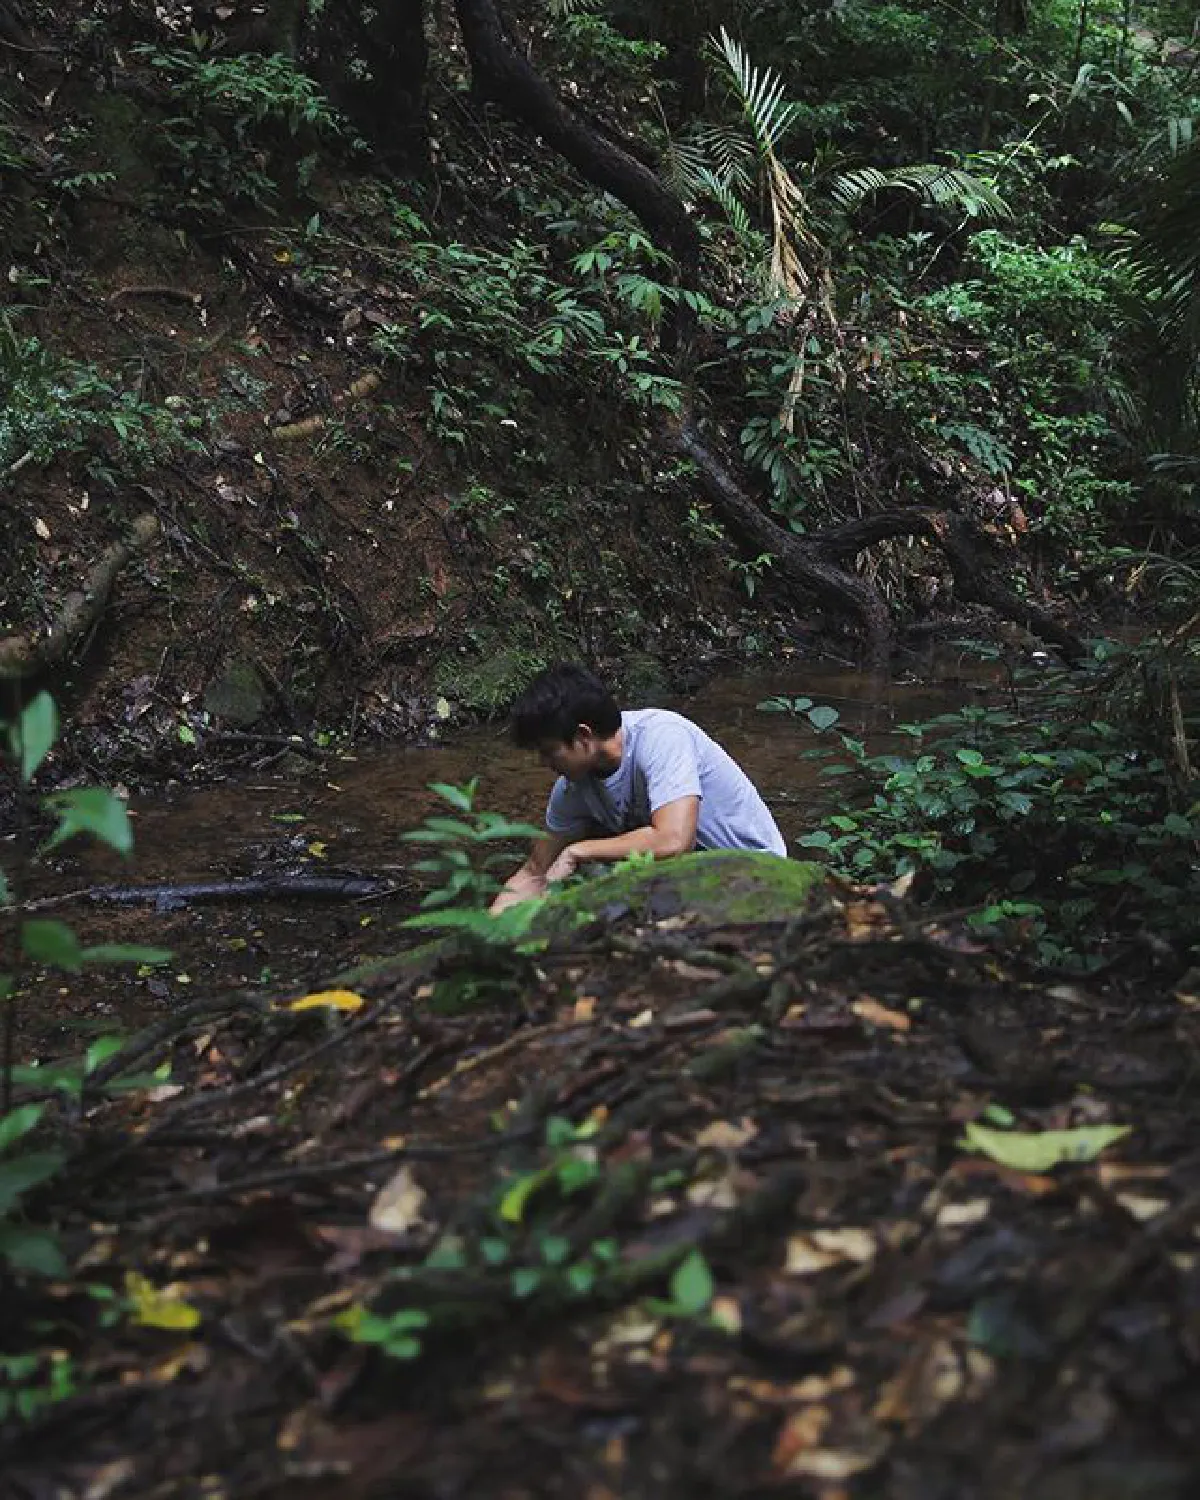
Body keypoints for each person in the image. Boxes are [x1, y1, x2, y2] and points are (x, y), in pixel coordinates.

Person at [490, 662, 786, 913]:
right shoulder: (572, 788)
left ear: (583, 735)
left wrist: (579, 850)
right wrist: (480, 940)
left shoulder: (662, 737)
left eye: (548, 751)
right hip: (689, 885)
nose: (544, 763)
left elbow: (673, 840)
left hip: (760, 876)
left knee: (591, 868)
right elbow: (534, 873)